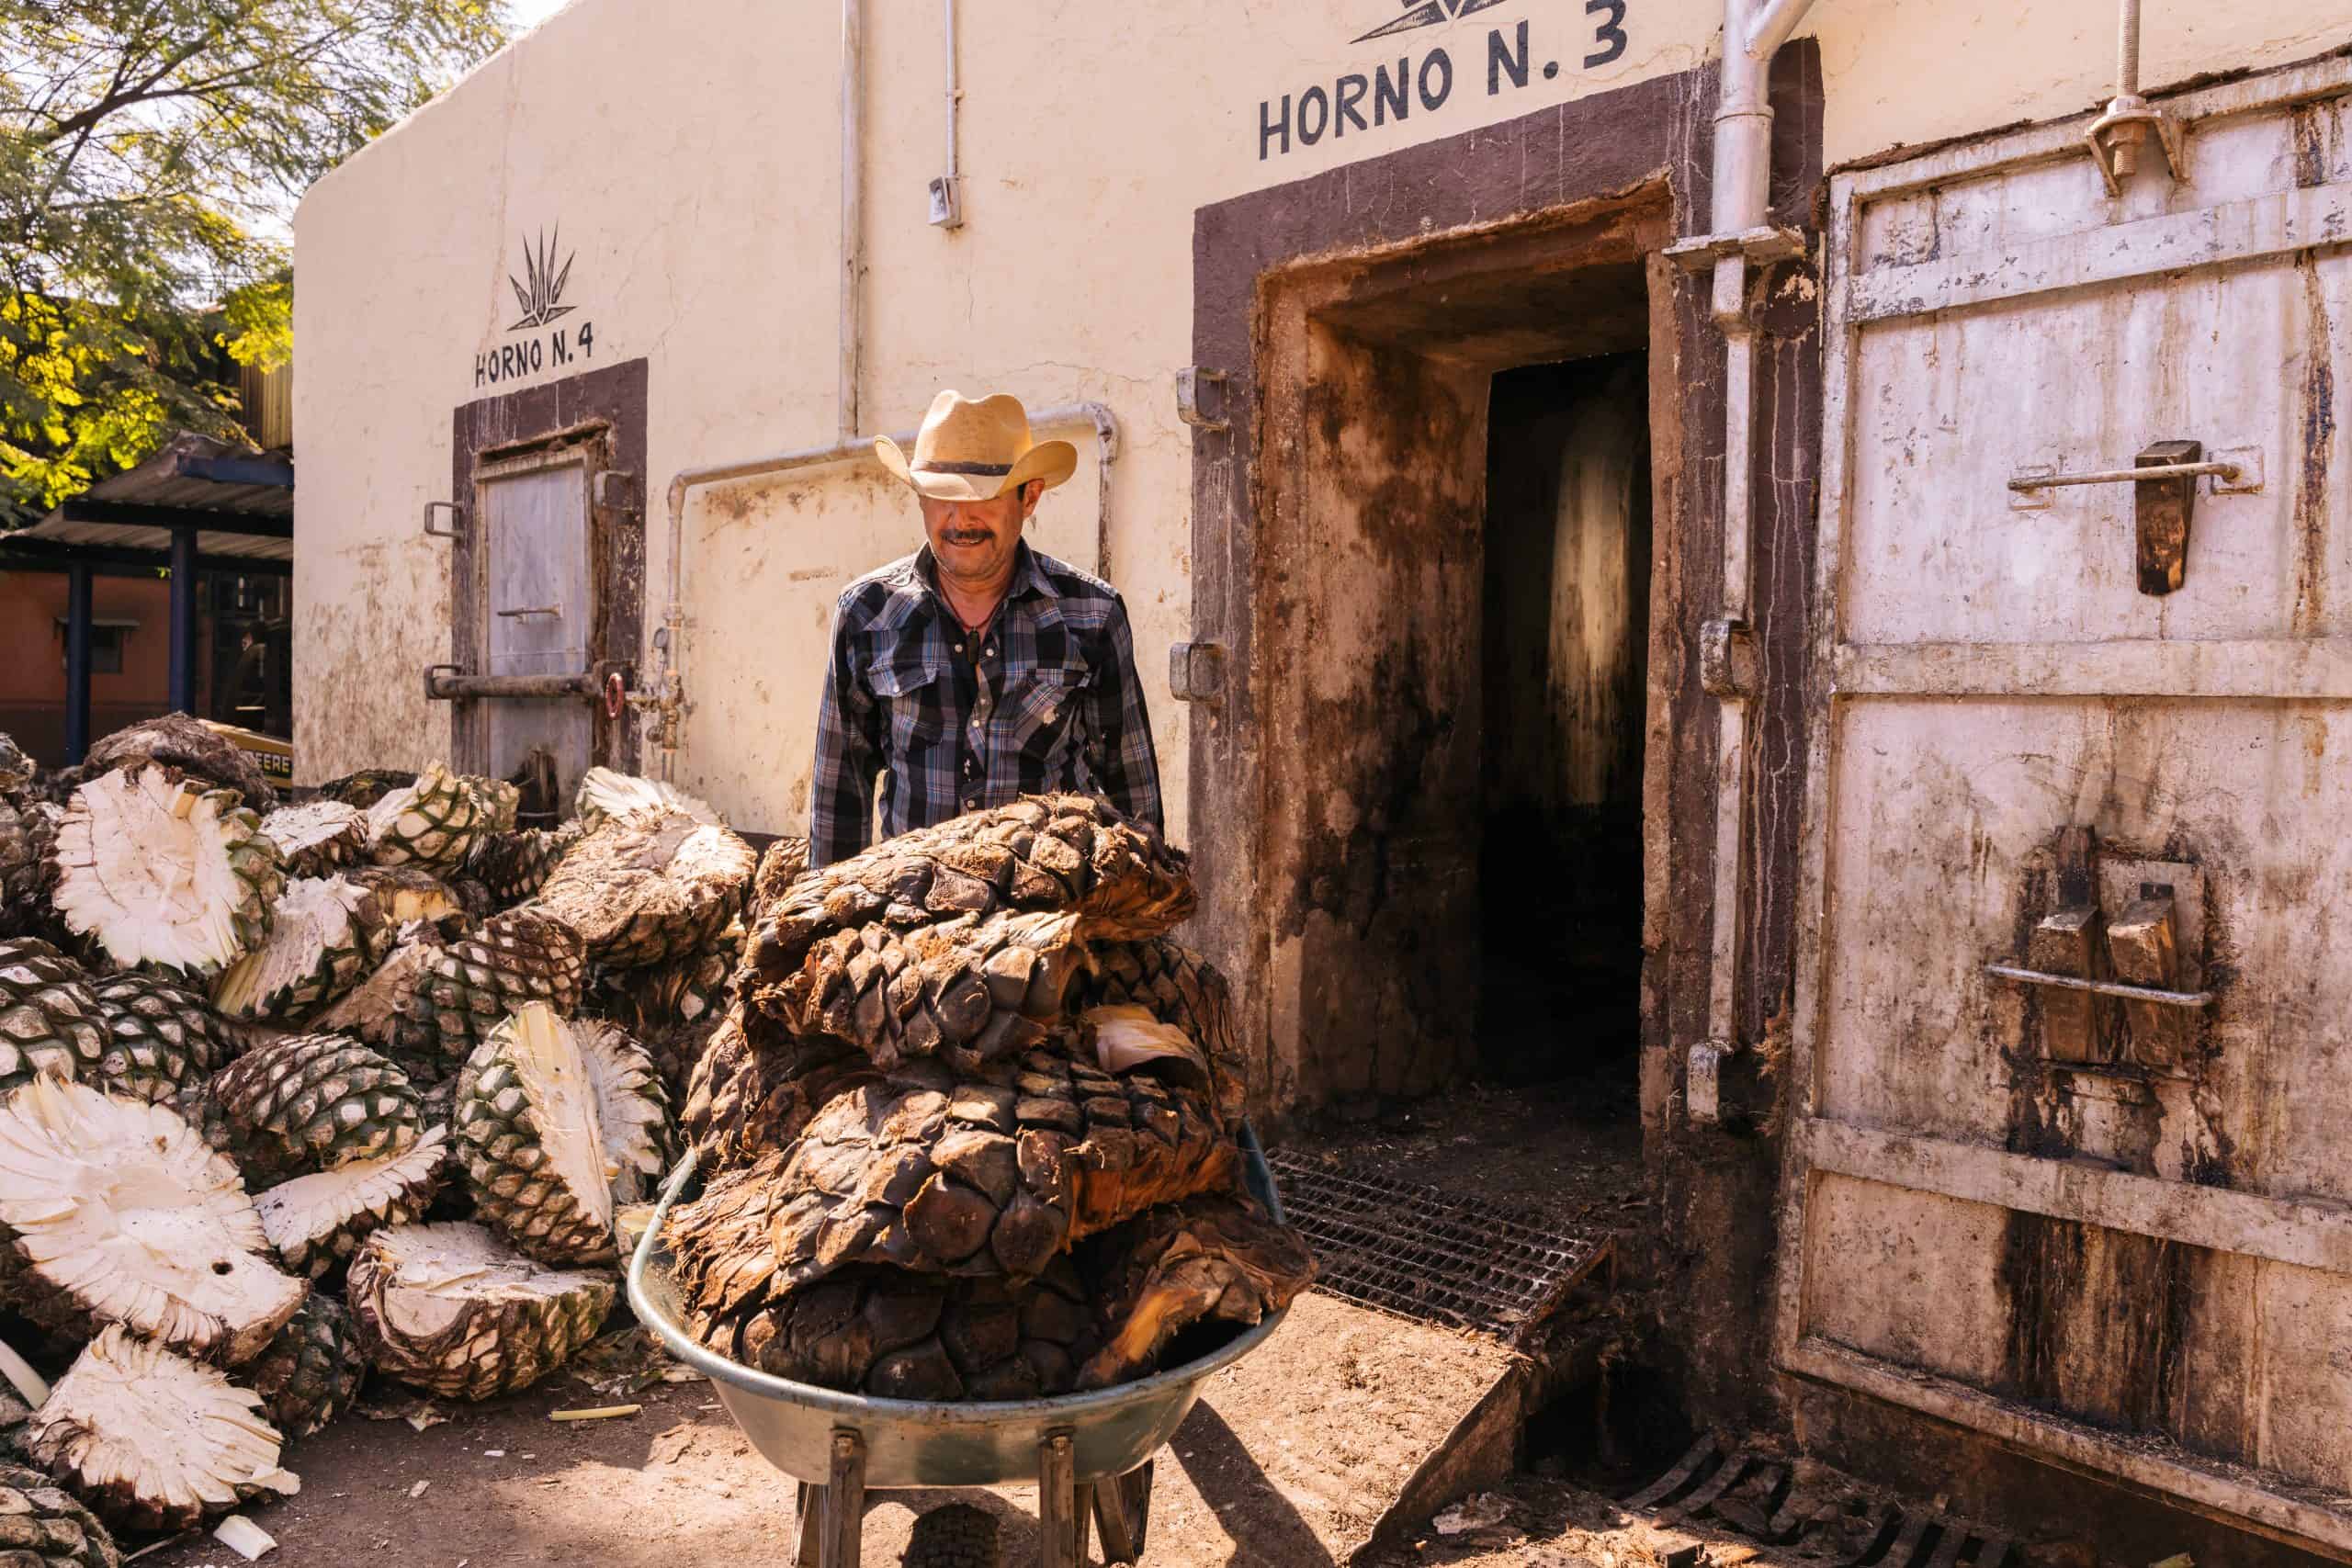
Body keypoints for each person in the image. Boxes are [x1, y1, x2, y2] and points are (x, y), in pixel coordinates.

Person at [808, 389, 1163, 867]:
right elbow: (839, 793)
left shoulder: (1090, 615)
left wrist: (1141, 918)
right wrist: (829, 924)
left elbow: (1131, 787)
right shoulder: (867, 614)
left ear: (1029, 497)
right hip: (914, 917)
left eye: (984, 497)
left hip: (1048, 921)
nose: (961, 519)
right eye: (942, 498)